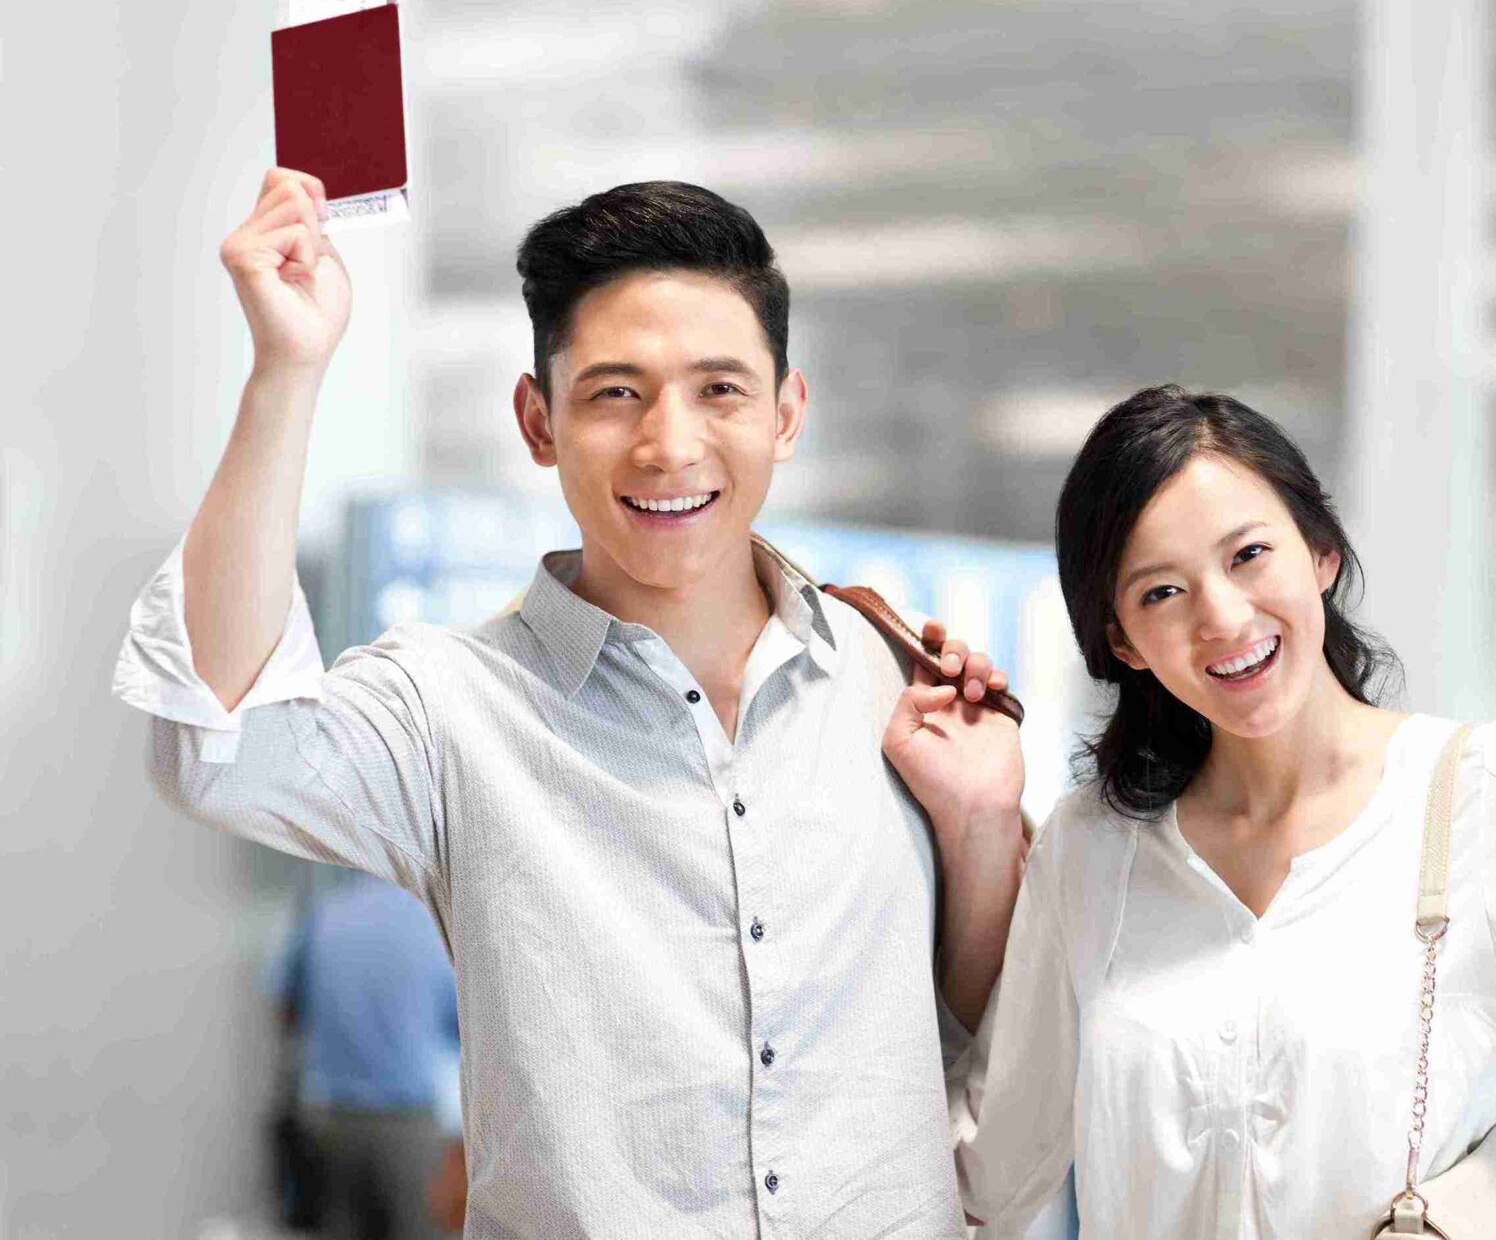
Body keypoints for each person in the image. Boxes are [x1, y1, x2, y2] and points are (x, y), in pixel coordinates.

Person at [112, 171, 1026, 1236]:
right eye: (614, 392)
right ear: (538, 421)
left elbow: (960, 1041)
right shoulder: (451, 708)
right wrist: (288, 370)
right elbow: (219, 745)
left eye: (719, 390)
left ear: (785, 414)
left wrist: (982, 826)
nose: (668, 444)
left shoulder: (888, 675)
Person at [930, 385, 1496, 1238]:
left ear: (1323, 555)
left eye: (1250, 554)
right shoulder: (1094, 851)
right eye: (1161, 591)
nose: (1220, 616)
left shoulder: (1478, 798)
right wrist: (971, 818)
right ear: (1123, 641)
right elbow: (993, 1176)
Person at [270, 871, 461, 1240]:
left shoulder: (323, 913)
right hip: (408, 1124)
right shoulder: (430, 924)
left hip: (329, 1121)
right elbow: (463, 1023)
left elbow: (285, 1008)